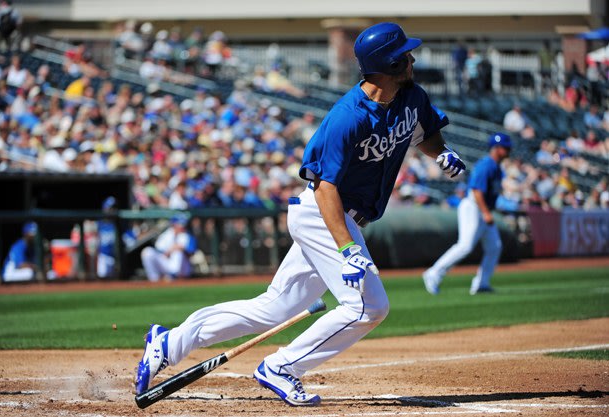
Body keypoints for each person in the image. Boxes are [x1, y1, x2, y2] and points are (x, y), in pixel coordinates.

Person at [134, 22, 466, 406]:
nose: (412, 59)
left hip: (344, 218)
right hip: (322, 213)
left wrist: (442, 153)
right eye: (405, 55)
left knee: (274, 308)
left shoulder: (411, 96)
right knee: (368, 306)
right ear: (389, 65)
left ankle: (170, 342)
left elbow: (426, 135)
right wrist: (347, 249)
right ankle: (282, 367)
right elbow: (326, 187)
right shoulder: (347, 117)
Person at [423, 133, 512, 295]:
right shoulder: (487, 165)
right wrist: (486, 213)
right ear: (497, 148)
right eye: (505, 147)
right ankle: (434, 272)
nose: (508, 150)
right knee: (465, 245)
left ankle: (481, 283)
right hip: (473, 207)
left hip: (483, 209)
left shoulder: (497, 167)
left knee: (494, 247)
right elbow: (476, 190)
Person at [140, 214, 197, 282]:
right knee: (147, 252)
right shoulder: (166, 235)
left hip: (182, 268)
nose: (182, 226)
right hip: (166, 263)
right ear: (174, 224)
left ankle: (174, 276)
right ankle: (154, 279)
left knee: (178, 252)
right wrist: (169, 251)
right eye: (180, 224)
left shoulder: (188, 236)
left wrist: (180, 248)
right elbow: (160, 251)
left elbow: (191, 253)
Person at [96, 196, 118, 279]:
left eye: (114, 208)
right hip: (103, 257)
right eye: (111, 208)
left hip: (117, 258)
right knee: (103, 277)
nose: (112, 210)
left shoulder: (121, 224)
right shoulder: (99, 224)